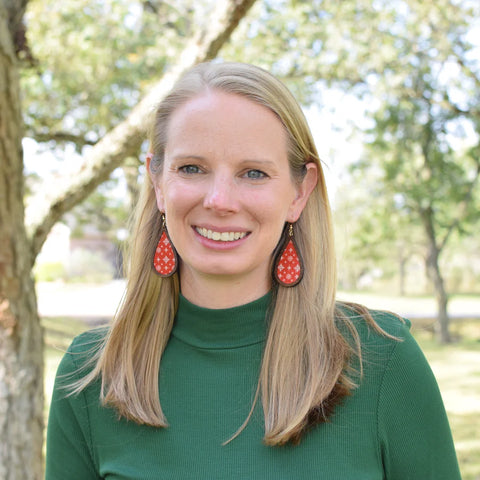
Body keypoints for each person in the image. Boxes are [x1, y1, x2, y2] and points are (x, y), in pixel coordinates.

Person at [45, 61, 461, 479]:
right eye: (192, 168)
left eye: (254, 173)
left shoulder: (382, 362)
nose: (220, 199)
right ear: (157, 183)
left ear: (300, 192)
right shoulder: (89, 375)